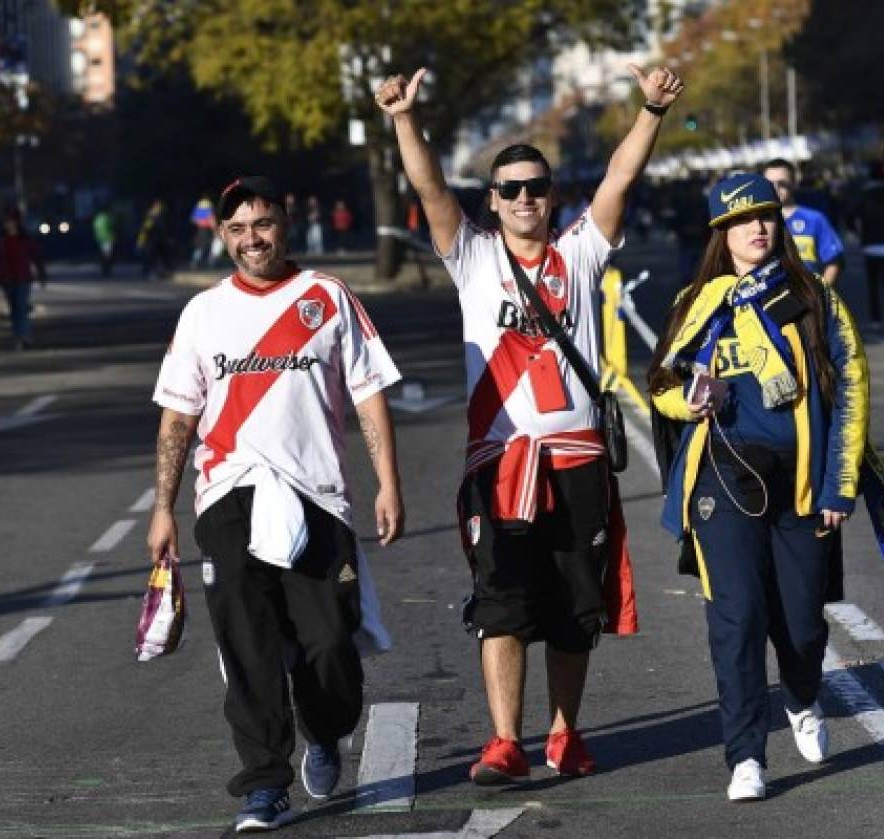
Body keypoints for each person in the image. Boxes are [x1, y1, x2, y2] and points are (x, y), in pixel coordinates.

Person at [375, 62, 674, 784]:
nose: (524, 199)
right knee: (502, 604)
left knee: (576, 606)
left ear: (551, 196)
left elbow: (619, 180)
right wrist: (402, 118)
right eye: (510, 189)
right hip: (503, 463)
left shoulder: (580, 250)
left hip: (575, 460)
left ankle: (565, 733)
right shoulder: (473, 256)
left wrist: (651, 111)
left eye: (536, 187)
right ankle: (505, 739)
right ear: (494, 200)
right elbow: (429, 189)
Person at [647, 172, 884, 802]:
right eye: (741, 220)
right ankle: (745, 757)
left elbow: (853, 389)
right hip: (722, 476)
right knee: (738, 616)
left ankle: (802, 698)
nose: (757, 228)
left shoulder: (815, 298)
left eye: (767, 216)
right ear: (719, 233)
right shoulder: (696, 302)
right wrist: (688, 403)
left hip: (803, 482)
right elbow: (662, 385)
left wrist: (840, 487)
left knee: (803, 624)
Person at [146, 176, 405, 831]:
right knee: (247, 644)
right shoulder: (202, 313)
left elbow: (370, 391)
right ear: (221, 234)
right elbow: (178, 419)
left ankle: (325, 729)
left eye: (262, 223)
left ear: (284, 223)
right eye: (237, 228)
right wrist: (162, 509)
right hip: (227, 496)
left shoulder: (326, 296)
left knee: (329, 645)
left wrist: (388, 482)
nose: (251, 238)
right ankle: (263, 782)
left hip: (316, 496)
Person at [762, 158, 844, 287]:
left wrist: (821, 294)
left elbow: (833, 261)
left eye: (782, 183)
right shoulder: (755, 222)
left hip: (808, 297)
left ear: (794, 183)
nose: (776, 188)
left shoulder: (815, 219)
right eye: (770, 184)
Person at [848, 161, 884, 329]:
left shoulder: (864, 194)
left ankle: (876, 318)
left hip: (870, 243)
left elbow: (850, 216)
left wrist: (858, 233)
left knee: (872, 283)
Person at [0, 209, 46, 350]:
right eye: (8, 222)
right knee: (14, 309)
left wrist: (41, 273)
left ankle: (24, 336)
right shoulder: (0, 241)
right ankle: (17, 335)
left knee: (21, 307)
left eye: (12, 221)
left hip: (23, 278)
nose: (10, 224)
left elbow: (36, 257)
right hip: (7, 279)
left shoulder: (25, 239)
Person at [137, 199, 174, 279]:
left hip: (158, 240)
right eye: (159, 206)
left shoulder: (160, 216)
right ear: (155, 206)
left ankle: (159, 272)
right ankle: (148, 272)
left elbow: (163, 229)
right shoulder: (151, 216)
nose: (160, 208)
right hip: (151, 240)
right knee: (151, 256)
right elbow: (146, 228)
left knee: (159, 256)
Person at [189, 194, 217, 268]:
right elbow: (211, 218)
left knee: (200, 246)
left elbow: (193, 219)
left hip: (200, 229)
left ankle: (194, 262)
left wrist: (200, 223)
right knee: (209, 246)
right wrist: (215, 229)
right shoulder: (209, 205)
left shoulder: (199, 205)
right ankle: (209, 264)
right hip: (206, 230)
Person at [92, 207, 116, 278]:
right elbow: (112, 227)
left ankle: (105, 269)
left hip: (99, 238)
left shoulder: (97, 218)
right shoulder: (107, 218)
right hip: (107, 238)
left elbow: (94, 228)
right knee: (108, 255)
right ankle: (107, 269)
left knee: (103, 255)